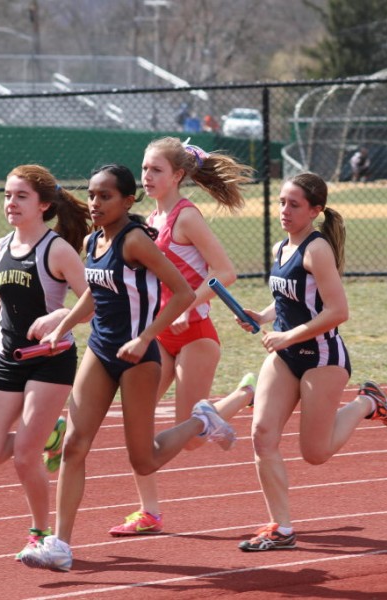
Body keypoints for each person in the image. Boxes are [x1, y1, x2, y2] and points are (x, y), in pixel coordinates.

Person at [18, 164, 237, 572]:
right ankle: (60, 545)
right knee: (74, 446)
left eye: (105, 196)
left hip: (138, 359)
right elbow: (94, 296)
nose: (95, 203)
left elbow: (184, 293)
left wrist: (146, 337)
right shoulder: (91, 241)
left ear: (127, 201)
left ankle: (201, 420)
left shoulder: (136, 241)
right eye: (92, 195)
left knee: (144, 460)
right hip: (100, 351)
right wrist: (61, 327)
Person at [234, 172, 387, 552]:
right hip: (287, 356)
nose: (284, 210)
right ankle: (282, 529)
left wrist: (288, 335)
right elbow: (290, 300)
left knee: (315, 453)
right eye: (280, 202)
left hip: (322, 358)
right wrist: (260, 318)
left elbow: (338, 311)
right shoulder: (282, 248)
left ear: (315, 210)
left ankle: (367, 403)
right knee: (262, 435)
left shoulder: (317, 250)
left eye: (294, 204)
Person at [106, 136, 257, 536]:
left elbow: (225, 271)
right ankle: (149, 512)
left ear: (177, 175)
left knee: (189, 439)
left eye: (156, 170)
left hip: (195, 335)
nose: (146, 176)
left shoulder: (186, 218)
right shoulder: (147, 222)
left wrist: (189, 306)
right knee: (136, 425)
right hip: (158, 335)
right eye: (143, 169)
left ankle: (244, 396)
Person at [0, 164, 91, 560]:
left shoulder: (58, 250)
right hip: (8, 360)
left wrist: (57, 319)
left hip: (51, 361)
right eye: (7, 196)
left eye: (20, 196)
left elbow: (93, 303)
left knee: (23, 456)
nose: (11, 203)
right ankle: (52, 435)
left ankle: (39, 533)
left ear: (43, 204)